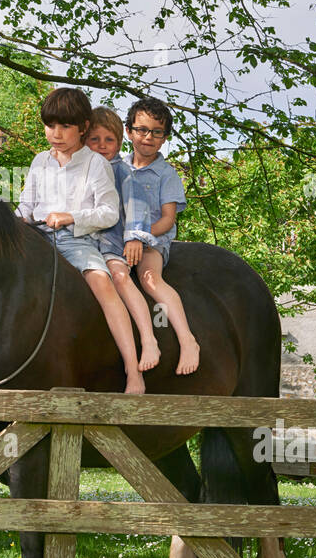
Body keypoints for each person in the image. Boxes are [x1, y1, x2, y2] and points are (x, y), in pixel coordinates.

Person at [15, 87, 147, 394]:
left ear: (83, 127)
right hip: (36, 238)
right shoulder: (39, 162)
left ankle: (133, 371)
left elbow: (109, 213)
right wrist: (13, 220)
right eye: (51, 126)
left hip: (77, 241)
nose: (56, 134)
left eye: (65, 127)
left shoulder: (95, 164)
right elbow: (26, 205)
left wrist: (71, 216)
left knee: (103, 284)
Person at [123, 97, 199, 374]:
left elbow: (167, 220)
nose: (148, 137)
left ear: (165, 138)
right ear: (128, 131)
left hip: (151, 241)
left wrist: (139, 235)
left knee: (150, 279)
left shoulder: (166, 174)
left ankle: (187, 340)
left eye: (156, 132)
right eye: (141, 129)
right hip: (116, 241)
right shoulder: (116, 169)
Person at [85, 107, 161, 373]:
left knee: (119, 277)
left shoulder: (123, 173)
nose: (102, 146)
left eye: (109, 140)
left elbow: (137, 206)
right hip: (84, 244)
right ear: (84, 141)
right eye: (95, 139)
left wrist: (134, 238)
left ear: (119, 142)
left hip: (112, 242)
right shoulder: (81, 170)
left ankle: (149, 338)